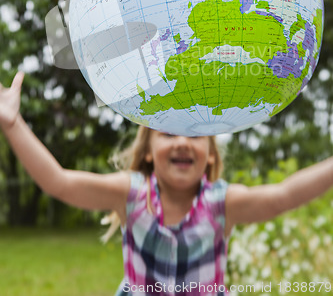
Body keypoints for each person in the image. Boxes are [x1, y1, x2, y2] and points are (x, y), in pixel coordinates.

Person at [0, 72, 333, 296]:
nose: (182, 143)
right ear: (147, 153)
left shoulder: (221, 203)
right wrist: (13, 124)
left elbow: (284, 195)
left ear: (212, 155)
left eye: (195, 134)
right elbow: (59, 182)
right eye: (168, 133)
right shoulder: (130, 194)